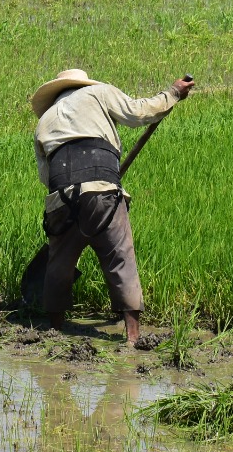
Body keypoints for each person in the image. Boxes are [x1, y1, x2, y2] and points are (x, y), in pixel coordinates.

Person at [31, 69, 194, 346]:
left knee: (59, 264)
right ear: (81, 83)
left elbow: (45, 177)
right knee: (120, 259)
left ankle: (54, 330)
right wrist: (173, 93)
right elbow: (138, 113)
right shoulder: (98, 92)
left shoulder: (44, 121)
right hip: (102, 193)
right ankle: (132, 338)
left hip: (61, 200)